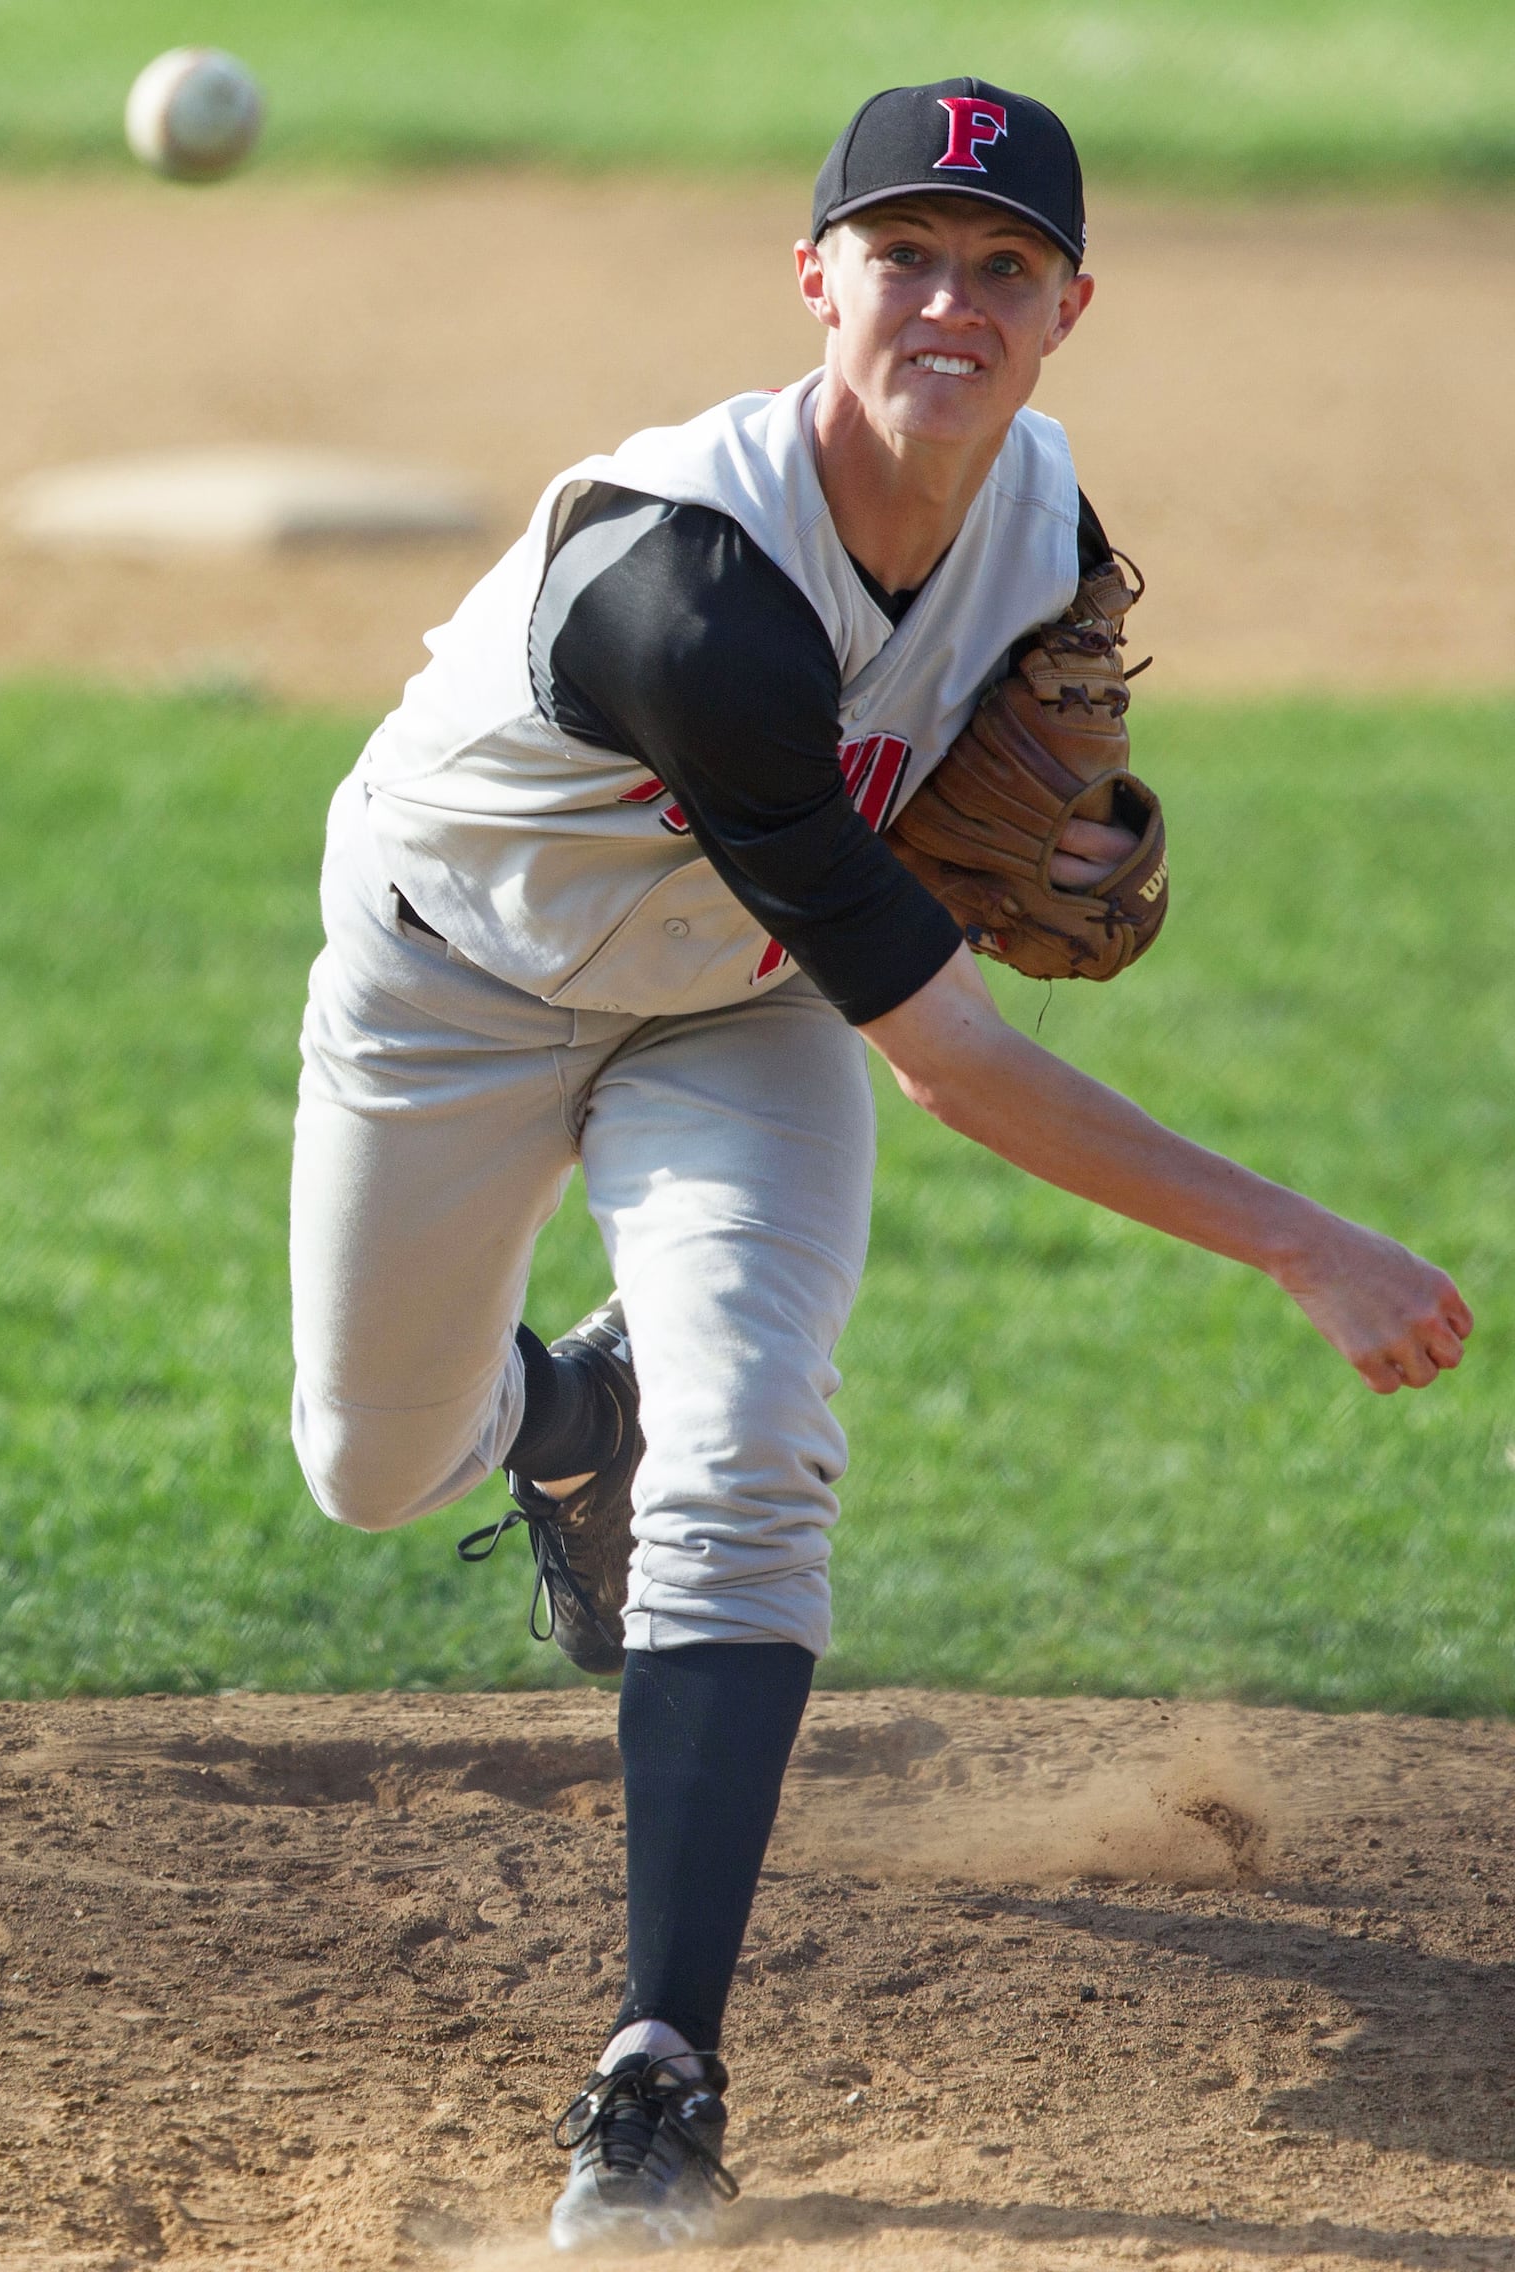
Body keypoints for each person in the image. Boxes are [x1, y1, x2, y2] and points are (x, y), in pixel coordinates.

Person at [288, 77, 1471, 2254]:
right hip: (452, 984)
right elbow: (951, 1057)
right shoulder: (689, 588)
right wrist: (1300, 1240)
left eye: (1000, 266)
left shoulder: (1039, 514)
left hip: (738, 1005)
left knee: (754, 1449)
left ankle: (655, 2073)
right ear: (811, 277)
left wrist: (1112, 837)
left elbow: (1046, 794)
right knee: (375, 1460)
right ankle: (569, 1408)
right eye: (902, 253)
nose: (950, 299)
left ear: (1067, 306)